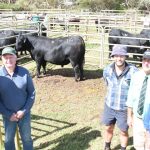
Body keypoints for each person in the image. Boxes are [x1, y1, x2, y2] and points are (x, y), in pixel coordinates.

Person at [102, 45, 138, 150]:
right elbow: (107, 84)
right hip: (110, 106)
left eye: (121, 56)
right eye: (116, 56)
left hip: (124, 109)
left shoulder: (133, 71)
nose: (119, 58)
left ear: (125, 57)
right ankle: (107, 147)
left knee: (123, 131)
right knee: (108, 128)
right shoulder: (107, 70)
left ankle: (123, 148)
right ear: (113, 56)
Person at [0, 47, 35, 150]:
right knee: (8, 140)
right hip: (8, 116)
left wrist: (24, 110)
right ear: (2, 59)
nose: (8, 60)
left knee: (27, 139)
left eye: (11, 57)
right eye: (5, 57)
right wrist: (7, 114)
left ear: (16, 58)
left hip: (24, 114)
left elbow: (31, 93)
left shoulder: (24, 72)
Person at [127, 49, 150, 150]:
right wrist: (129, 116)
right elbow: (130, 97)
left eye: (149, 60)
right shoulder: (136, 76)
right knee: (138, 144)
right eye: (144, 60)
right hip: (137, 118)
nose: (146, 63)